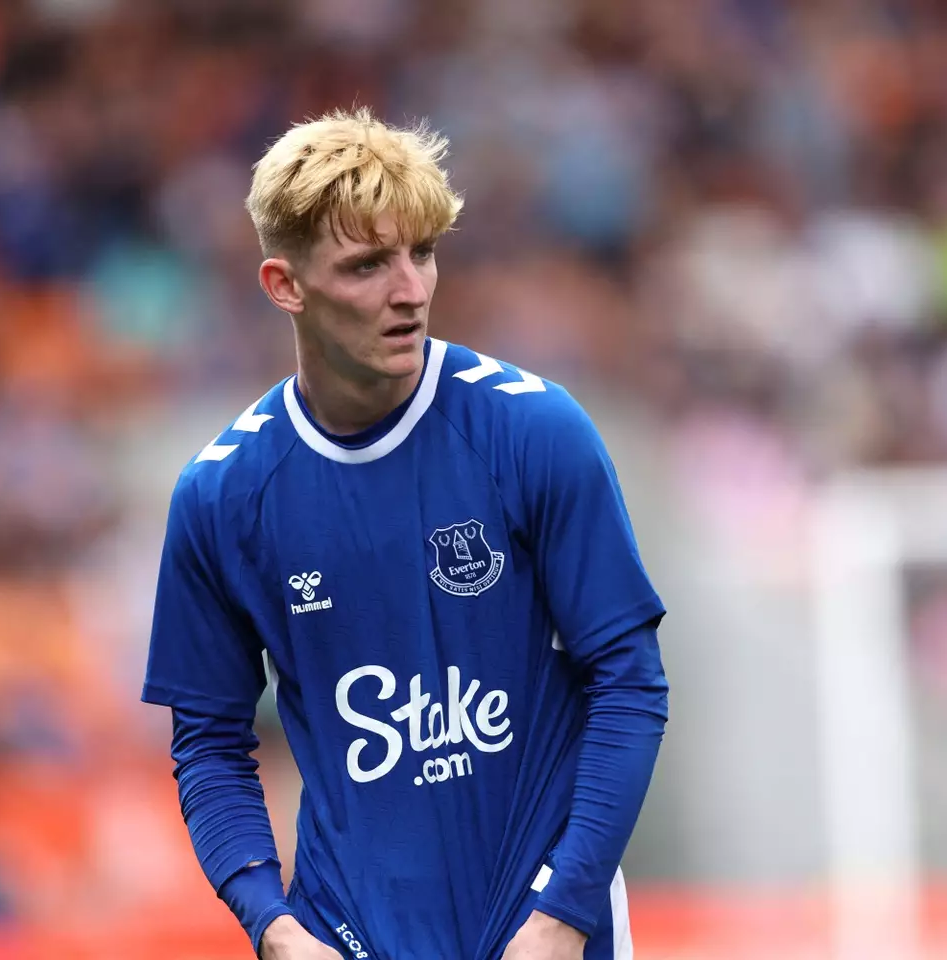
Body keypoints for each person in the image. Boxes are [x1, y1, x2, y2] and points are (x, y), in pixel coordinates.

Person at [141, 107, 670, 960]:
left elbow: (630, 683)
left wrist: (565, 915)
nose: (411, 290)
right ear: (285, 286)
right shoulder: (223, 495)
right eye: (366, 265)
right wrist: (271, 925)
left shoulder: (536, 434)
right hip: (350, 936)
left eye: (421, 252)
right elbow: (207, 742)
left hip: (544, 938)